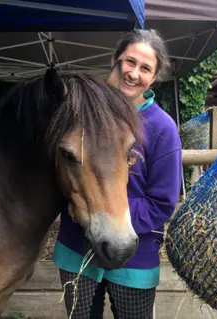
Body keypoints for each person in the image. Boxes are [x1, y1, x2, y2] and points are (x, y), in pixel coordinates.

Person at [53, 28, 183, 319]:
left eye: (145, 68)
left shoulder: (162, 128)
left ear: (155, 76)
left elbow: (162, 203)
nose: (134, 74)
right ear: (115, 59)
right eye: (130, 62)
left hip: (133, 261)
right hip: (78, 255)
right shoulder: (81, 111)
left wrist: (105, 214)